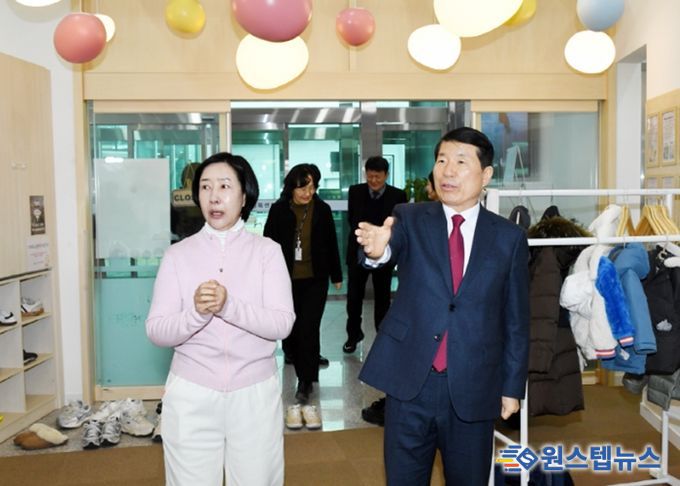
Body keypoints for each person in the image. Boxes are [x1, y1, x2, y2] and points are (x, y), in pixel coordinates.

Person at [355, 127, 529, 485]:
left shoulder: (508, 237)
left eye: (461, 162)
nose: (447, 171)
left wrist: (512, 387)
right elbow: (387, 246)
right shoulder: (410, 217)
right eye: (441, 160)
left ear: (486, 175)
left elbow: (516, 320)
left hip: (474, 384)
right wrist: (377, 250)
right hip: (410, 381)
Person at [146, 152, 294, 486]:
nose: (214, 196)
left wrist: (229, 306)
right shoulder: (177, 255)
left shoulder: (267, 252)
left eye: (225, 186)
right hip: (191, 392)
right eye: (205, 187)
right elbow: (156, 330)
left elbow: (282, 323)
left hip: (254, 392)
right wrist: (195, 314)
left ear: (244, 196)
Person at [264, 164, 343, 404]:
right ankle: (298, 360)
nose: (308, 193)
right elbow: (268, 244)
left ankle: (306, 380)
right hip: (285, 279)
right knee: (293, 328)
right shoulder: (279, 210)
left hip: (315, 278)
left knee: (308, 327)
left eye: (312, 187)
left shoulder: (322, 209)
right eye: (303, 188)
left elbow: (331, 242)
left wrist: (336, 275)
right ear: (292, 187)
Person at [344, 156, 407, 354]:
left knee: (382, 298)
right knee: (354, 297)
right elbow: (352, 219)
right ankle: (353, 335)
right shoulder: (355, 191)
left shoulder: (398, 195)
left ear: (386, 175)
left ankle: (382, 336)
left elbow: (398, 226)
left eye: (378, 177)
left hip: (384, 254)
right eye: (370, 176)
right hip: (358, 252)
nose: (373, 181)